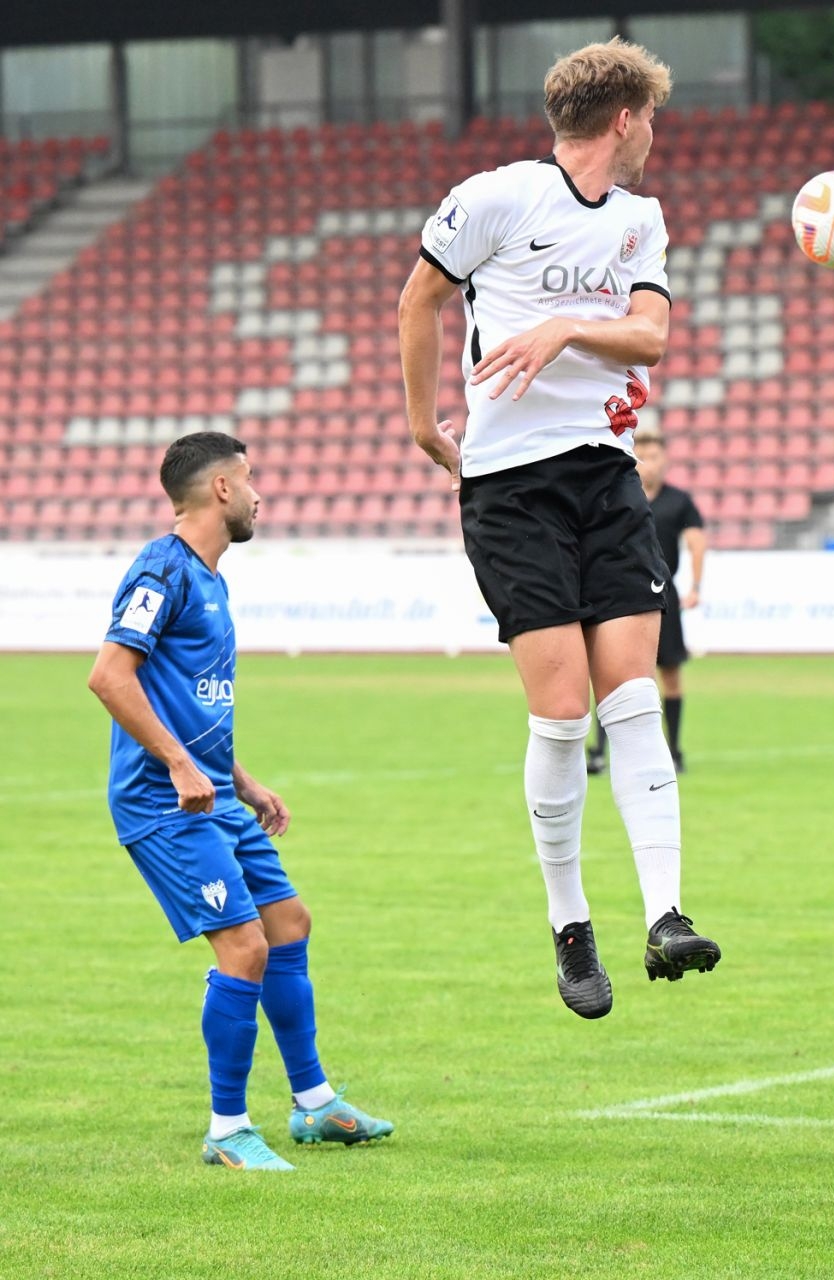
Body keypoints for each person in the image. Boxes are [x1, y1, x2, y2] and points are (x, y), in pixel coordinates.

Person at [397, 38, 717, 1018]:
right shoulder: (497, 198)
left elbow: (653, 335)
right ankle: (571, 924)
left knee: (632, 692)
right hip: (510, 489)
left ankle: (665, 912)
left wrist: (565, 326)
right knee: (564, 707)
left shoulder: (640, 219)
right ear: (624, 118)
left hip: (607, 478)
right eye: (651, 119)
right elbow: (418, 300)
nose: (653, 136)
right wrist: (423, 424)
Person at [86, 432, 392, 1171]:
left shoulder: (210, 579)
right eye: (249, 479)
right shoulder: (162, 568)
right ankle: (226, 1129)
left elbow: (190, 703)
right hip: (163, 803)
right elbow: (109, 676)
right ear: (221, 489)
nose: (259, 495)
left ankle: (315, 1104)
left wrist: (241, 780)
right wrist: (179, 766)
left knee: (288, 924)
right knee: (245, 946)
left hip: (214, 794)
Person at [588, 433, 706, 776]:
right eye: (641, 456)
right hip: (618, 593)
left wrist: (695, 586)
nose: (647, 464)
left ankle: (675, 751)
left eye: (653, 456)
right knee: (612, 676)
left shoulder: (679, 501)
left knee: (670, 674)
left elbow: (697, 543)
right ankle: (599, 751)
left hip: (663, 594)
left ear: (664, 460)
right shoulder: (614, 496)